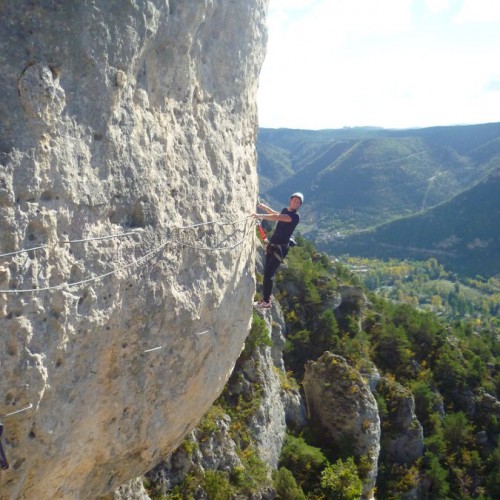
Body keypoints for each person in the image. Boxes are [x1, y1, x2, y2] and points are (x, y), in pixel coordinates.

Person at [252, 192, 303, 309]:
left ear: (299, 205)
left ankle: (266, 301)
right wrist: (261, 206)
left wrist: (260, 215)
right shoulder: (286, 210)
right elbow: (275, 213)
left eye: (298, 202)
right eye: (294, 200)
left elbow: (278, 217)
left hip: (280, 249)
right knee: (267, 273)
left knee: (269, 274)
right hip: (273, 245)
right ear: (291, 200)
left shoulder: (295, 217)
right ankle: (264, 300)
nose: (295, 203)